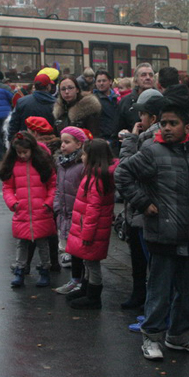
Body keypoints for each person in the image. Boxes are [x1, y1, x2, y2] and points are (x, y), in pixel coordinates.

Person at [116, 103, 189, 361]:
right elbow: (123, 173)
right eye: (164, 123)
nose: (166, 128)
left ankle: (179, 337)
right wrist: (143, 203)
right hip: (162, 234)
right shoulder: (152, 152)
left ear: (187, 127)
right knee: (160, 291)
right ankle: (151, 337)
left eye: (173, 123)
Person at [117, 89, 166, 310]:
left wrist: (130, 140)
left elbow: (126, 168)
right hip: (140, 209)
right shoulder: (146, 137)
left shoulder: (148, 141)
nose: (139, 119)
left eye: (143, 115)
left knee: (148, 260)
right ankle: (140, 296)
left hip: (145, 210)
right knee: (139, 256)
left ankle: (149, 306)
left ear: (153, 118)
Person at [65, 139, 118, 310]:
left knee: (92, 263)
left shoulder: (96, 179)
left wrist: (87, 234)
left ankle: (93, 297)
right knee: (88, 261)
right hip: (88, 228)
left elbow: (93, 209)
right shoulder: (93, 175)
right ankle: (86, 290)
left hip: (91, 231)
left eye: (85, 154)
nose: (82, 156)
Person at [0, 132, 57, 288]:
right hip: (23, 210)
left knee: (43, 244)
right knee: (21, 244)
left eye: (25, 152)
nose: (22, 155)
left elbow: (53, 186)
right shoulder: (13, 165)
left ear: (32, 149)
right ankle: (20, 270)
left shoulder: (42, 164)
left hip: (41, 210)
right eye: (19, 153)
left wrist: (48, 203)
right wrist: (14, 203)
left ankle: (45, 270)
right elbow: (8, 188)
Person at [52, 126, 87, 293]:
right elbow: (58, 187)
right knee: (72, 248)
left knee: (80, 250)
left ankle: (82, 281)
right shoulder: (61, 164)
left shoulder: (81, 166)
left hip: (79, 214)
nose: (63, 146)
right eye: (61, 142)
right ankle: (75, 280)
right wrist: (57, 206)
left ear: (79, 144)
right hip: (65, 213)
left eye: (67, 142)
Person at [117, 63, 156, 134]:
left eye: (151, 75)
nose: (148, 77)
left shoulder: (160, 99)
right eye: (143, 75)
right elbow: (117, 129)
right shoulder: (125, 102)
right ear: (135, 81)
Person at [92, 70, 119, 147]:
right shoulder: (93, 100)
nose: (101, 83)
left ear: (110, 82)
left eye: (104, 81)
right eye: (99, 81)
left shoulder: (118, 98)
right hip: (102, 140)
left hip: (116, 139)